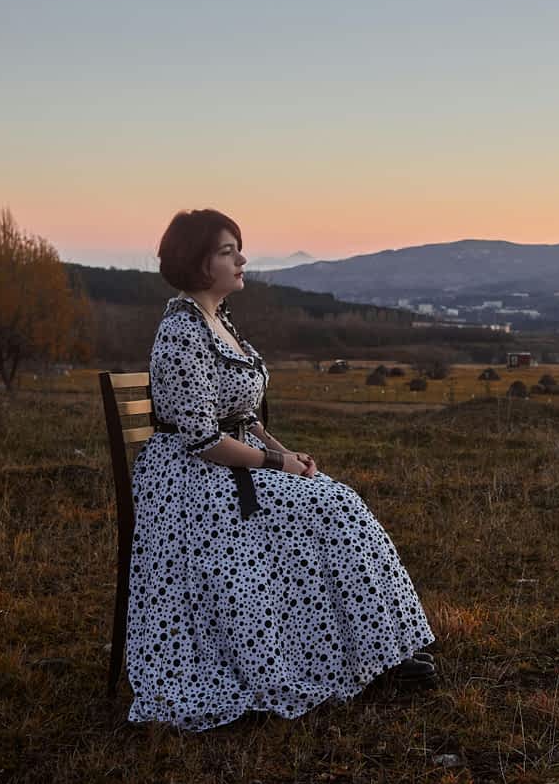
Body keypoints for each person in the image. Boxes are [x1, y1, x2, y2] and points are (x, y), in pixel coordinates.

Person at [127, 209, 436, 731]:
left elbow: (241, 417)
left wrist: (286, 453)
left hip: (230, 465)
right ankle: (359, 656)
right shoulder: (179, 333)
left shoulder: (220, 321)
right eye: (228, 251)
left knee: (334, 499)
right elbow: (203, 440)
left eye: (237, 248)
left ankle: (376, 650)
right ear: (197, 262)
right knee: (332, 507)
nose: (242, 259)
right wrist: (276, 462)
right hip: (190, 483)